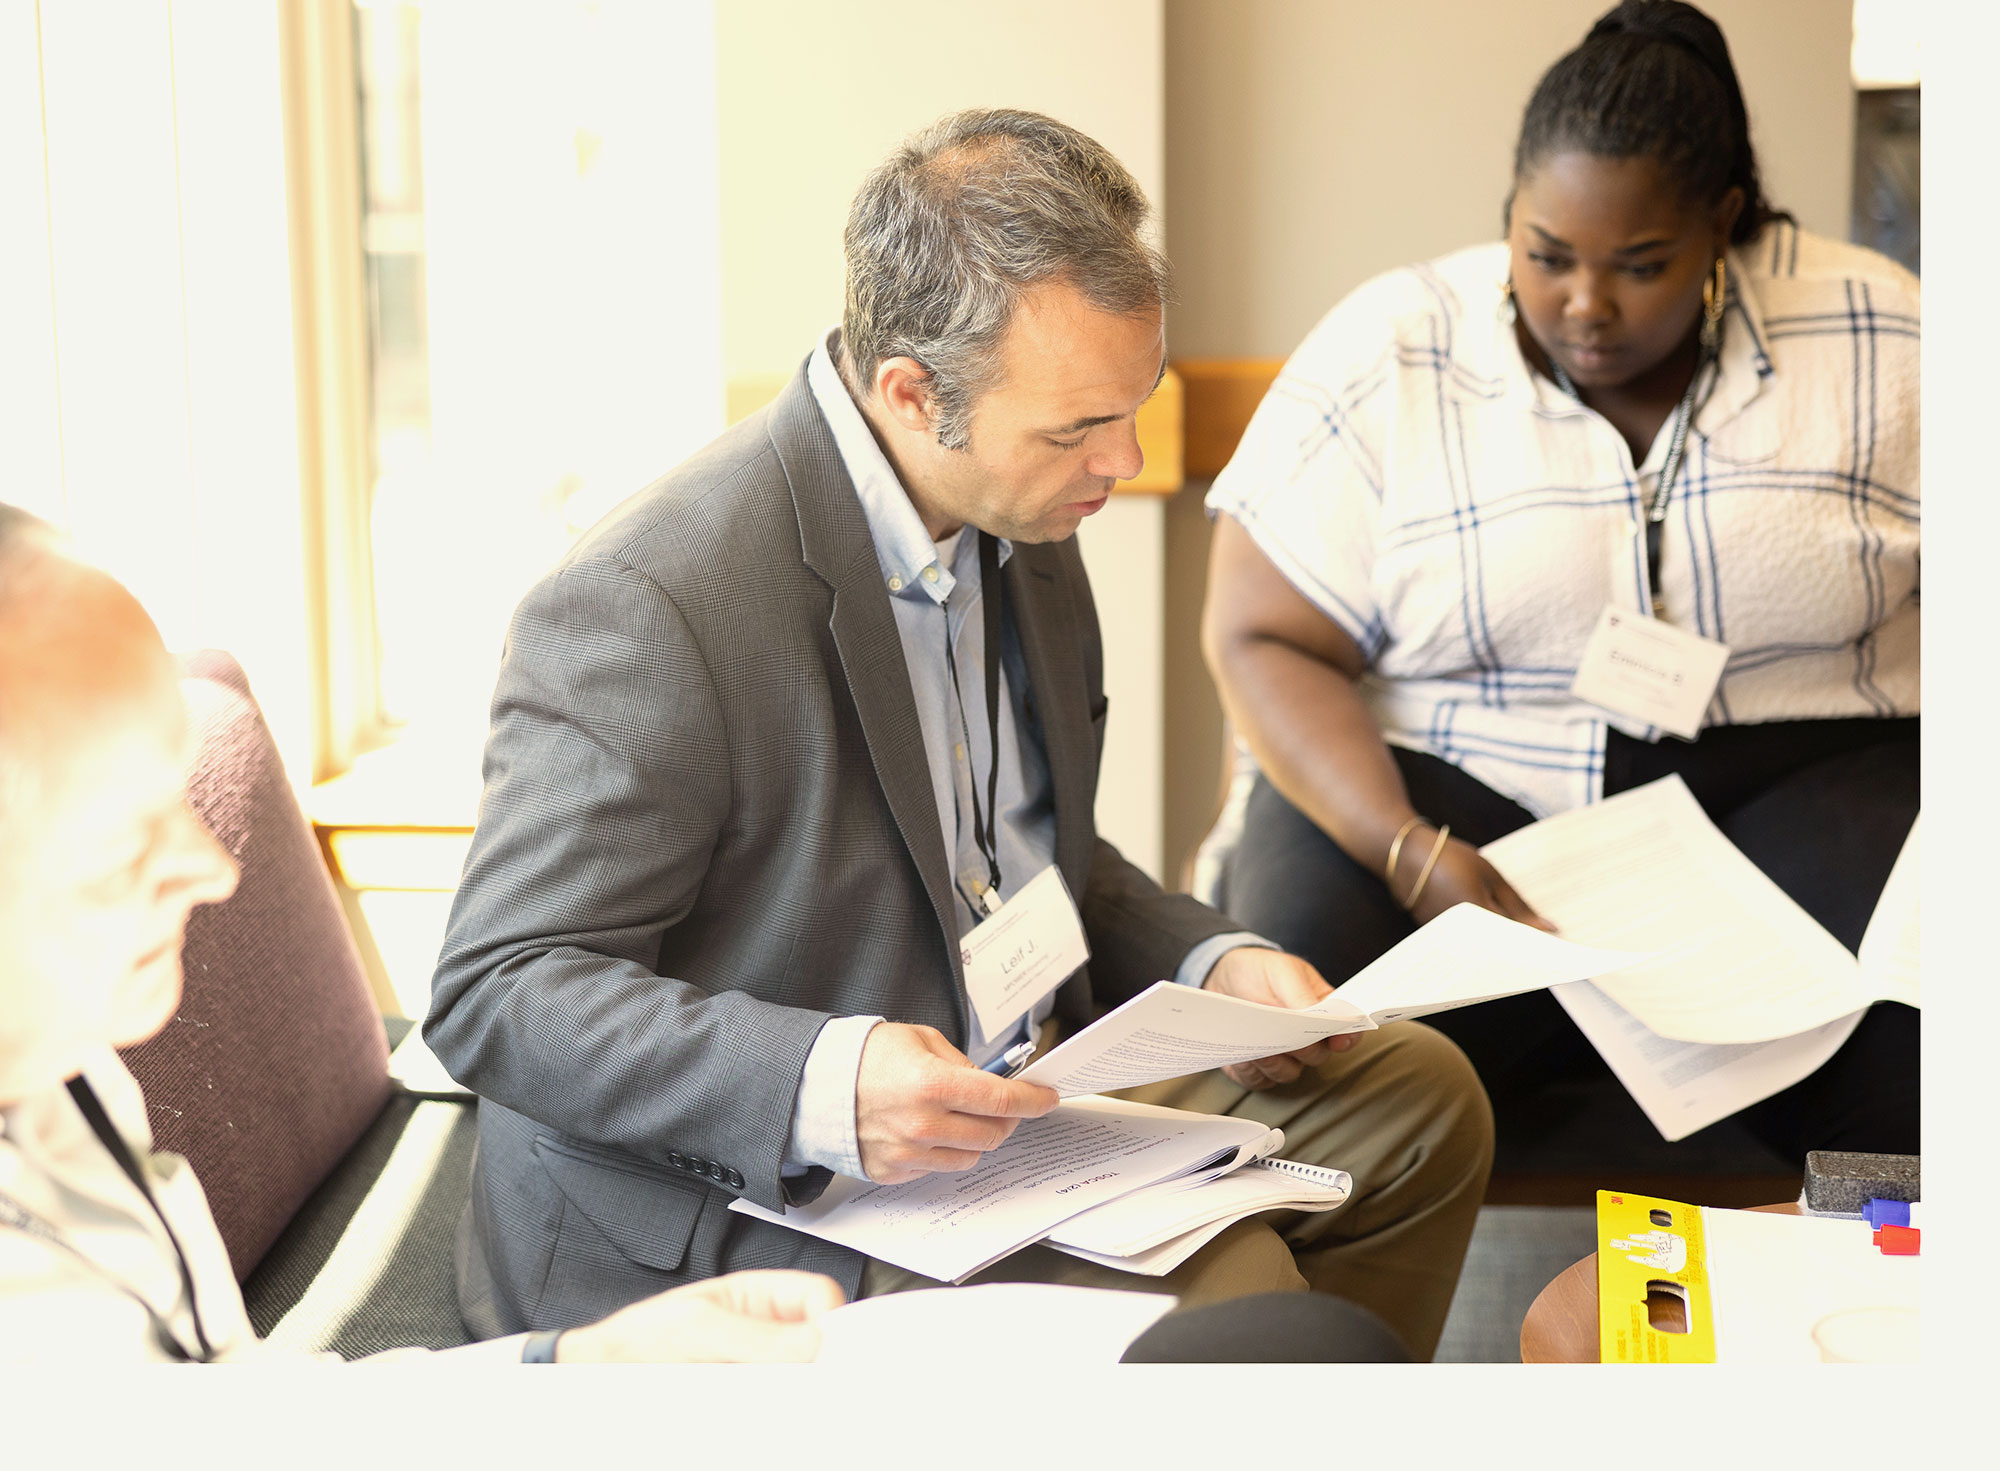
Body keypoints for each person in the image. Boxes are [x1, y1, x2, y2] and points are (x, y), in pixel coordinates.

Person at [426, 108, 1493, 1362]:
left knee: (1421, 1105)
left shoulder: (1017, 512)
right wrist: (828, 1081)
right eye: (1077, 430)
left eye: (1133, 407)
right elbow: (499, 989)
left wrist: (1212, 965)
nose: (1126, 462)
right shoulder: (647, 603)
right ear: (911, 393)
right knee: (1236, 1277)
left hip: (1004, 1098)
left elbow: (1029, 859)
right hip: (758, 1184)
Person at [1201, 0, 1918, 1164]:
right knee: (1306, 1041)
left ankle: (1855, 1318)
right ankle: (1315, 1328)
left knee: (1916, 1069)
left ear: (1719, 228)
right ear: (1509, 214)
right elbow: (1259, 636)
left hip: (1800, 781)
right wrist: (1403, 847)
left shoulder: (1880, 332)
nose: (1584, 306)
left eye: (1641, 266)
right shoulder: (1398, 341)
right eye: (1545, 256)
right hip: (1447, 785)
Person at [0, 503, 845, 1362]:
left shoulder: (63, 1067)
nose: (215, 872)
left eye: (176, 793)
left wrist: (585, 1367)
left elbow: (223, 1407)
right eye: (118, 832)